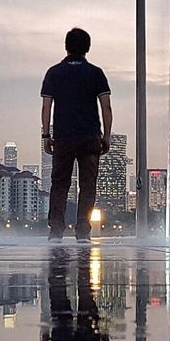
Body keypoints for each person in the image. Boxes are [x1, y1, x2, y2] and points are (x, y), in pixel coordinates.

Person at [41, 28, 112, 243]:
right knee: (88, 184)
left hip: (63, 137)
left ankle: (56, 231)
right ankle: (82, 231)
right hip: (90, 136)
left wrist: (46, 135)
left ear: (66, 46)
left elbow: (46, 107)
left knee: (60, 184)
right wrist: (106, 136)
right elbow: (106, 107)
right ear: (88, 48)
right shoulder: (96, 73)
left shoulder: (54, 72)